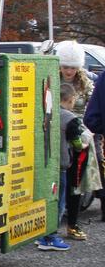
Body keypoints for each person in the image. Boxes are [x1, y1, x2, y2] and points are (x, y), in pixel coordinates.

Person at [56, 40, 103, 209]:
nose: (69, 71)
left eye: (73, 67)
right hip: (60, 128)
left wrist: (88, 131)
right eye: (65, 66)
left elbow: (93, 106)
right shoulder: (52, 79)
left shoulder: (86, 83)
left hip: (84, 126)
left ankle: (101, 198)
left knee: (98, 157)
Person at [36, 83, 83, 251]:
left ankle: (42, 233)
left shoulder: (49, 113)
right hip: (62, 165)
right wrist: (81, 146)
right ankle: (50, 237)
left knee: (47, 199)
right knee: (59, 202)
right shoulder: (71, 119)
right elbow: (77, 141)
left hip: (47, 164)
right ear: (69, 100)